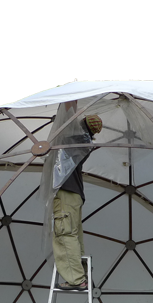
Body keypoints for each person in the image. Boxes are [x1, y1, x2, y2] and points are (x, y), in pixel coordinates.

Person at [52, 104, 103, 290]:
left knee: (65, 234)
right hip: (74, 195)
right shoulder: (84, 143)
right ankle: (81, 274)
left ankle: (76, 279)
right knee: (73, 235)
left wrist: (63, 117)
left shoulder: (74, 140)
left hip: (66, 193)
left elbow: (65, 121)